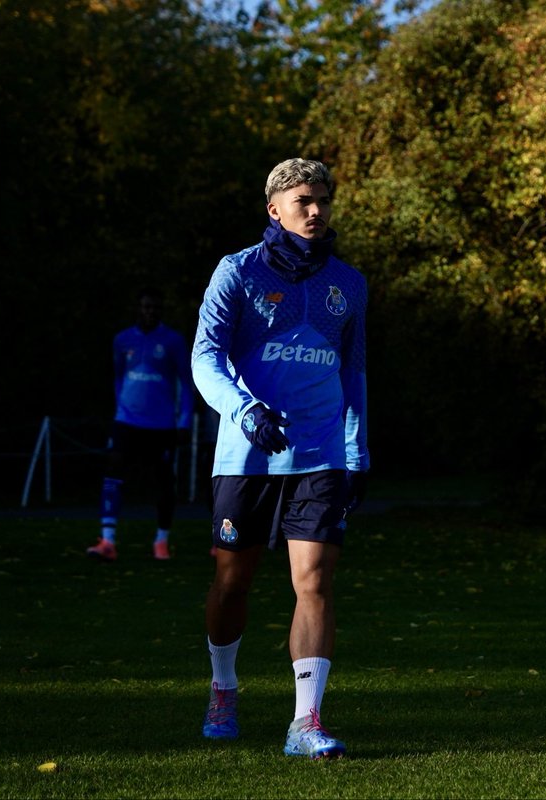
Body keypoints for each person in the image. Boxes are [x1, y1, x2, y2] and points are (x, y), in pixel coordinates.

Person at [191, 158, 369, 760]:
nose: (315, 210)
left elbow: (355, 371)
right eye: (302, 201)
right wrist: (245, 412)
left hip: (320, 457)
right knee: (231, 583)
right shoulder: (236, 272)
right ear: (274, 209)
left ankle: (306, 723)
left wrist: (356, 451)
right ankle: (223, 687)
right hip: (246, 456)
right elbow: (205, 359)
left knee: (314, 582)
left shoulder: (350, 282)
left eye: (323, 199)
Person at [87, 287, 194, 562]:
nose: (150, 312)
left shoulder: (173, 341)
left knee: (163, 481)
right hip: (127, 421)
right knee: (113, 470)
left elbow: (186, 382)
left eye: (155, 308)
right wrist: (119, 409)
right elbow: (118, 377)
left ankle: (161, 540)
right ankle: (107, 539)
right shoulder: (122, 340)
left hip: (161, 425)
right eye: (146, 307)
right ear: (138, 308)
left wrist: (184, 420)